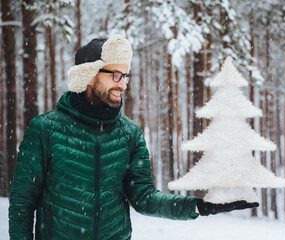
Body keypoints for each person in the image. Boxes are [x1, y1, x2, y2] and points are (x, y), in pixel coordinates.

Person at [8, 34, 259, 240]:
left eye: (125, 75)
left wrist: (198, 206)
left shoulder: (129, 133)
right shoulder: (45, 130)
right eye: (115, 74)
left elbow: (144, 197)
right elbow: (22, 204)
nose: (123, 84)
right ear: (89, 75)